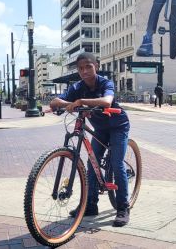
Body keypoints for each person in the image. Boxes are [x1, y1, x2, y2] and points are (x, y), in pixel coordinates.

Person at [49, 52, 131, 227]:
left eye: (88, 66)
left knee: (117, 165)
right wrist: (62, 103)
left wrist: (80, 102)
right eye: (80, 68)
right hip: (100, 129)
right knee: (91, 166)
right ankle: (91, 205)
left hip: (118, 126)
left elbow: (107, 101)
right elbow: (58, 100)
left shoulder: (105, 82)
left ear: (97, 66)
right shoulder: (77, 87)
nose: (84, 71)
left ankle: (123, 207)